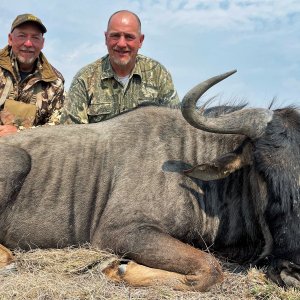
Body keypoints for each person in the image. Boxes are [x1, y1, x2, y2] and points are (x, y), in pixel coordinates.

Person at [60, 10, 179, 124]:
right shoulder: (84, 79)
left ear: (140, 41)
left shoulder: (158, 74)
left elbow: (176, 123)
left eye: (129, 37)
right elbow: (71, 133)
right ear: (106, 38)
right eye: (115, 36)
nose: (121, 44)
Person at [0, 13, 65, 136]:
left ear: (42, 43)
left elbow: (58, 128)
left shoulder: (55, 82)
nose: (28, 43)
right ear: (10, 39)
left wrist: (20, 133)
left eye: (35, 37)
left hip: (31, 151)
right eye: (22, 36)